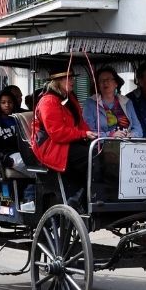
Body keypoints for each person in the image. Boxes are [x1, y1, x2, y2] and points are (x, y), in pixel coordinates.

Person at [31, 70, 97, 208]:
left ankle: (90, 196)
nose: (72, 81)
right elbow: (57, 133)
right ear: (57, 81)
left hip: (68, 143)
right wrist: (83, 134)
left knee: (101, 153)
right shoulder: (48, 101)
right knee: (93, 158)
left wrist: (90, 133)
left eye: (72, 78)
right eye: (69, 78)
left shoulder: (70, 98)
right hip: (51, 147)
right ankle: (78, 198)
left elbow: (80, 123)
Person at [84, 66, 142, 138]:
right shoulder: (91, 103)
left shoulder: (127, 102)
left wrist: (132, 135)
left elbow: (138, 128)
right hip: (103, 146)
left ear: (116, 83)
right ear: (98, 85)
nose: (105, 82)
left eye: (108, 79)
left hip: (126, 144)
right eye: (101, 80)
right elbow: (89, 132)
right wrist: (110, 135)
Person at [0, 89, 29, 175]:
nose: (7, 105)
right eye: (3, 102)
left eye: (10, 102)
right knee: (25, 163)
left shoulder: (19, 119)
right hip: (7, 156)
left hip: (23, 152)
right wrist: (4, 159)